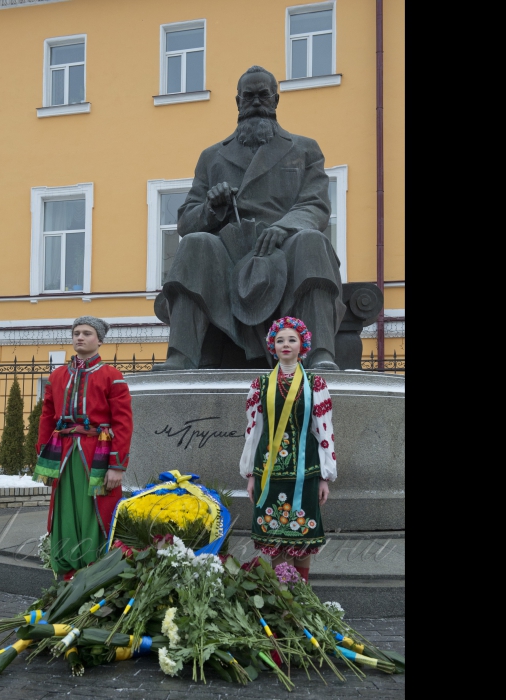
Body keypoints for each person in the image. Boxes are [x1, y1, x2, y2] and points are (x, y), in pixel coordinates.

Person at [154, 65, 344, 372]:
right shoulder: (212, 156)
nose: (256, 102)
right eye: (249, 96)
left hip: (285, 246)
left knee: (312, 241)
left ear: (275, 100)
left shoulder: (304, 149)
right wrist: (212, 208)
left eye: (263, 95)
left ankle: (319, 352)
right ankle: (182, 356)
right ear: (238, 102)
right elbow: (186, 223)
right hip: (229, 252)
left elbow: (315, 205)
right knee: (195, 243)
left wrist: (285, 227)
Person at [33, 316, 133, 576]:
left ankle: (96, 565)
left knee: (96, 507)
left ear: (99, 340)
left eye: (87, 333)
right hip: (63, 452)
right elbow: (47, 417)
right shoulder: (57, 376)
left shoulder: (112, 376)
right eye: (76, 332)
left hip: (96, 454)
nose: (80, 337)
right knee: (64, 507)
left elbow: (123, 422)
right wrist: (44, 457)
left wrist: (117, 465)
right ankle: (66, 567)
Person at [239, 316, 337, 582]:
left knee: (303, 534)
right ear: (272, 345)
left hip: (306, 471)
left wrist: (325, 476)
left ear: (301, 345)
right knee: (275, 534)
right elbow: (253, 430)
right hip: (268, 471)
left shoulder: (314, 384)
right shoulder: (260, 384)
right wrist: (250, 474)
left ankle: (302, 592)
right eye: (280, 340)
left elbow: (324, 431)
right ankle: (283, 596)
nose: (285, 344)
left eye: (291, 339)